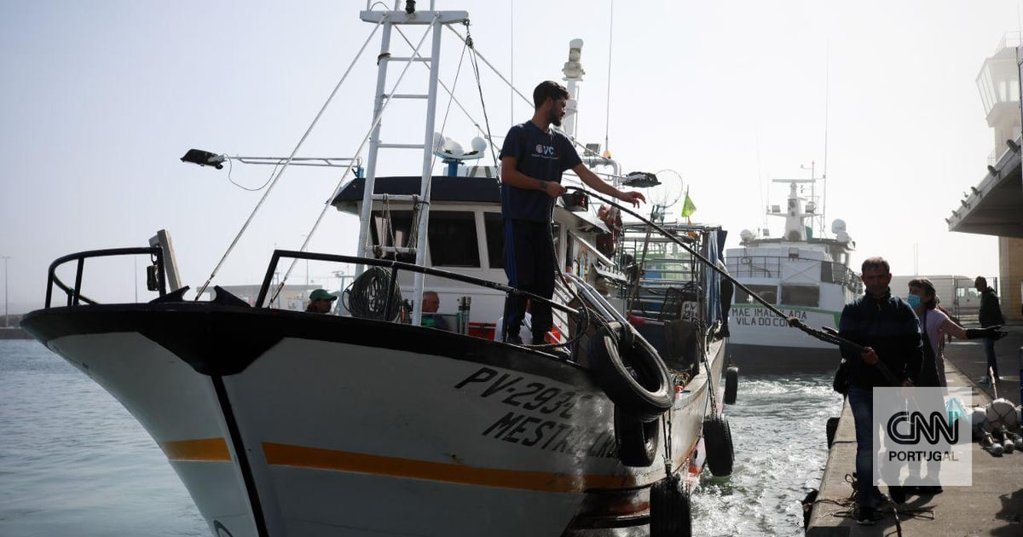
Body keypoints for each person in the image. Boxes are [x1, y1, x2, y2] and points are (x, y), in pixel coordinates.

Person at [499, 80, 645, 344]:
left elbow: (587, 176)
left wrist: (621, 195)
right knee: (521, 280)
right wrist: (545, 186)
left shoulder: (560, 143)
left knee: (544, 281)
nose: (564, 111)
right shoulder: (518, 134)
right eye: (562, 105)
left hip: (542, 222)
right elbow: (507, 175)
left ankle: (540, 336)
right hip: (518, 220)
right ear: (548, 102)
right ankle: (511, 334)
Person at [838, 257, 922, 525]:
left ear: (888, 277)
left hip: (895, 388)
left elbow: (916, 349)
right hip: (861, 388)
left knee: (897, 441)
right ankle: (866, 503)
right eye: (870, 278)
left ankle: (894, 481)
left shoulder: (903, 311)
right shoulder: (852, 310)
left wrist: (910, 379)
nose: (875, 282)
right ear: (863, 280)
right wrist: (862, 356)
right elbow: (845, 347)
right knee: (867, 446)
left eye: (879, 277)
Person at [905, 278, 1004, 495]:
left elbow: (962, 333)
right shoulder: (904, 317)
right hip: (910, 380)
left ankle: (932, 478)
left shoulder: (935, 317)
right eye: (910, 290)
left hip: (930, 378)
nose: (911, 294)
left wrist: (986, 332)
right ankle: (913, 476)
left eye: (916, 291)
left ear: (928, 296)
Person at [975, 276, 1004, 383]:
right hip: (987, 328)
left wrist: (990, 327)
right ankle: (993, 375)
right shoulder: (987, 295)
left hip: (989, 328)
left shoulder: (989, 296)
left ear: (982, 284)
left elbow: (993, 313)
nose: (975, 286)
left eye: (977, 284)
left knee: (989, 353)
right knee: (990, 353)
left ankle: (991, 376)